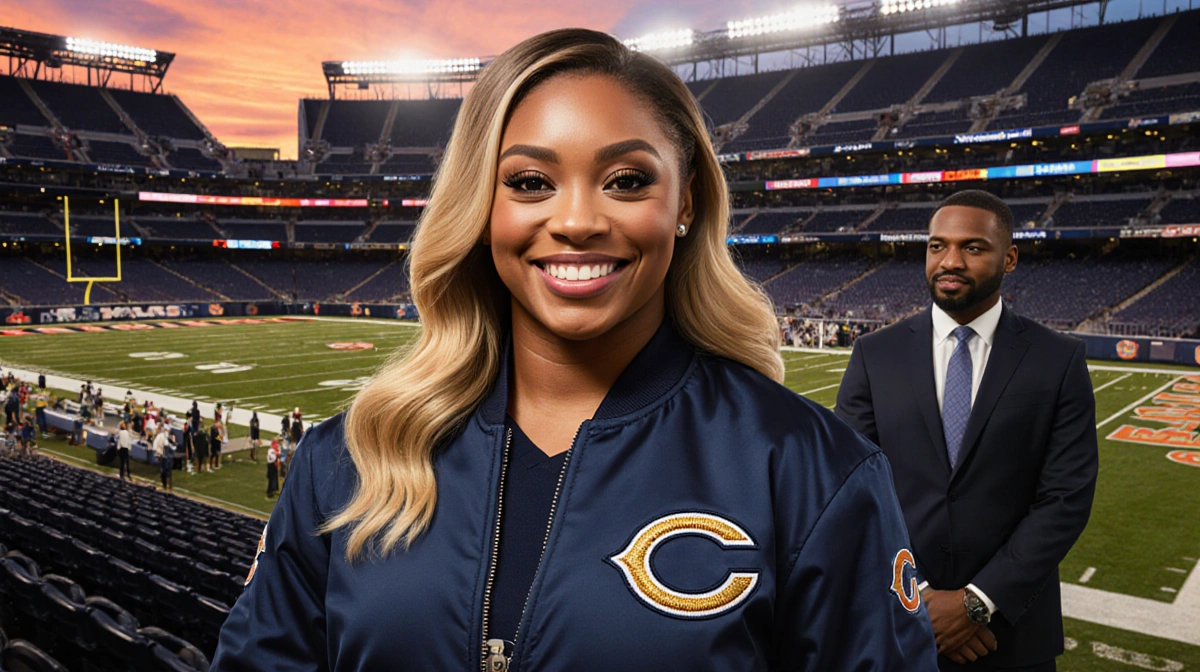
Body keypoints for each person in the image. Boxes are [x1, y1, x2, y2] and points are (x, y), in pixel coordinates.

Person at [214, 29, 937, 671]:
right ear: (481, 205)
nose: (578, 220)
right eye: (530, 182)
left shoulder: (810, 470)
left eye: (627, 181)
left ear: (685, 202)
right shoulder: (349, 461)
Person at [836, 190, 1099, 671]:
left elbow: (1066, 498)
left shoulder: (1058, 360)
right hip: (900, 624)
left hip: (1010, 639)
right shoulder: (875, 354)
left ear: (1010, 258)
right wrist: (917, 594)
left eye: (972, 247)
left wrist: (977, 602)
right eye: (937, 246)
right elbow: (851, 489)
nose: (950, 261)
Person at [154, 427, 174, 491]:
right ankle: (166, 486)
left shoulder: (167, 437)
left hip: (166, 456)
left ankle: (167, 486)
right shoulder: (161, 436)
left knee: (166, 472)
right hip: (163, 455)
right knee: (164, 472)